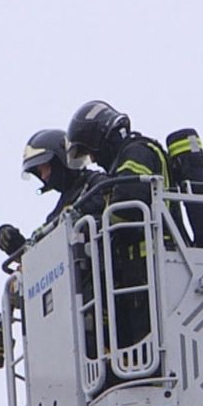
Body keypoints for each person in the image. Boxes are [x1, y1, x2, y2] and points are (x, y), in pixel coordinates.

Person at [0, 129, 107, 369]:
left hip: (99, 287)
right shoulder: (57, 210)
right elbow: (48, 242)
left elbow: (83, 219)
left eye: (45, 168)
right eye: (39, 172)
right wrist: (19, 247)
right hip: (71, 297)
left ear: (62, 159)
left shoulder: (96, 184)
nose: (44, 176)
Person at [65, 101, 171, 356]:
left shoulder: (138, 151)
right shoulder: (124, 159)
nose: (94, 160)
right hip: (134, 269)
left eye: (92, 152)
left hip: (152, 264)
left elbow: (126, 205)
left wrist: (91, 223)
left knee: (148, 346)